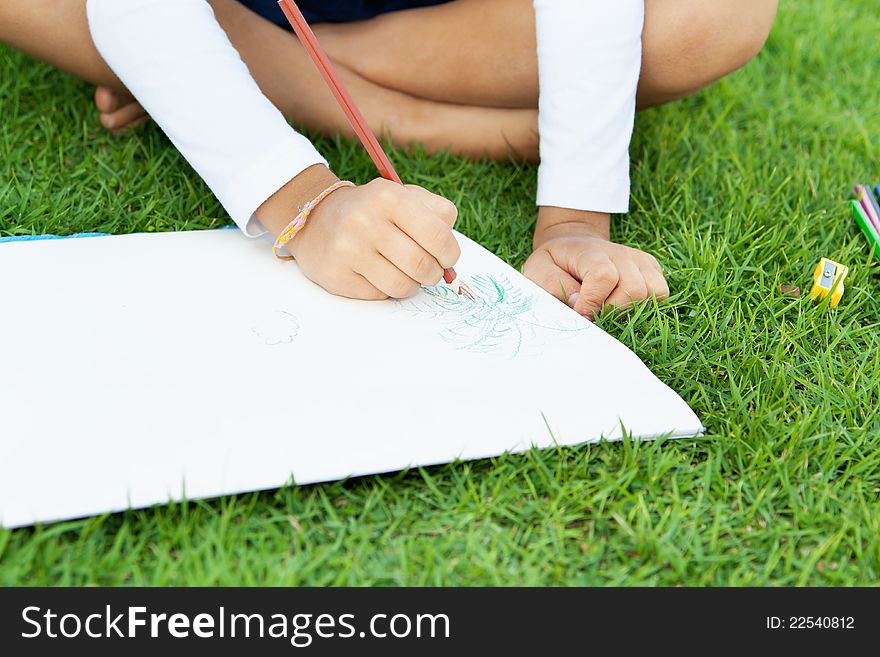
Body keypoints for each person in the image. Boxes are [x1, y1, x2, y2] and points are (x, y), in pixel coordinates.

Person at [0, 0, 777, 318]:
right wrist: (304, 200)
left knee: (719, 14)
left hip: (435, 21)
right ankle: (378, 110)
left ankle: (260, 71)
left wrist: (575, 216)